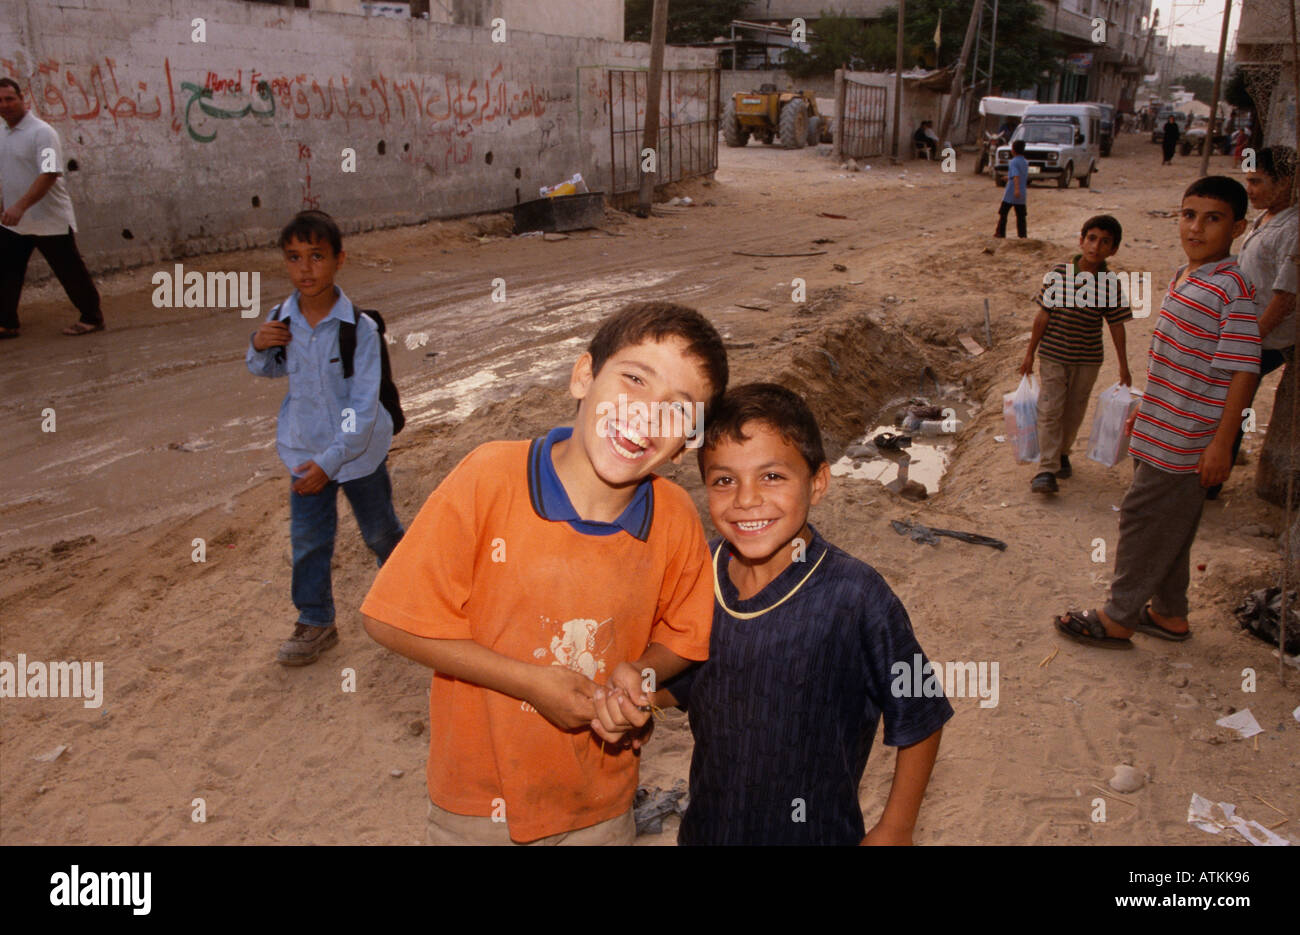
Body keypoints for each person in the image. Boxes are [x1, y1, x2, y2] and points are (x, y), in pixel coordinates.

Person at [360, 302, 728, 845]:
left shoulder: (673, 519)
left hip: (600, 804)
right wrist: (531, 682)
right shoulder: (489, 477)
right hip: (478, 804)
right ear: (583, 376)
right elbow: (391, 619)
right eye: (633, 379)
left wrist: (641, 674)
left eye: (677, 411)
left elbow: (686, 636)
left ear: (687, 444)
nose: (646, 415)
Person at [657, 383, 951, 845]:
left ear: (817, 482)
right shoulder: (699, 576)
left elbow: (922, 713)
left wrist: (896, 826)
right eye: (724, 480)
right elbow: (684, 679)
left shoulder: (855, 597)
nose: (746, 499)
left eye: (772, 476)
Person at [1054, 177, 1260, 648]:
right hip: (1161, 425)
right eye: (1189, 215)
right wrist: (1146, 407)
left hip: (1187, 439)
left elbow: (1243, 372)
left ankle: (1118, 617)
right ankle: (1169, 613)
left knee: (1142, 519)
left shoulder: (1234, 290)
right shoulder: (1187, 277)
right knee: (1173, 525)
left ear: (1238, 227)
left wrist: (1222, 444)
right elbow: (1179, 360)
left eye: (1214, 219)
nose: (1197, 228)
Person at [247, 210, 405, 666]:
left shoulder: (361, 330)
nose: (305, 269)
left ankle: (407, 595)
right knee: (309, 540)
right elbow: (269, 369)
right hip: (304, 452)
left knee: (380, 532)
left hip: (357, 457)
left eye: (316, 256)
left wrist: (330, 461)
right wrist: (257, 346)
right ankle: (316, 620)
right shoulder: (281, 318)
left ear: (339, 259)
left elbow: (361, 409)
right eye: (294, 258)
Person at [1208, 145, 1298, 499]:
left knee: (1232, 403)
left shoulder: (1293, 228)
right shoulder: (1266, 217)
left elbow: (1285, 297)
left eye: (1257, 182)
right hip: (1244, 330)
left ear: (1285, 182)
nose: (1251, 190)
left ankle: (1212, 481)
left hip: (1266, 338)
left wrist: (1249, 340)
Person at [1021, 215, 1133, 494]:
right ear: (1081, 240)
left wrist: (1124, 366)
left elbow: (1116, 326)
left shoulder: (1110, 283)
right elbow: (1042, 317)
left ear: (1113, 249)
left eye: (1105, 242)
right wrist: (1029, 355)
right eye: (1092, 238)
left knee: (1073, 411)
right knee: (1049, 409)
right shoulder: (1058, 273)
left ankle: (1062, 453)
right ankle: (1046, 469)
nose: (1096, 246)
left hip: (1088, 359)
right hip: (1053, 355)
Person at [0, 76, 104, 339]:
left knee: (69, 270)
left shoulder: (42, 132)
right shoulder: (3, 132)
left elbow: (49, 174)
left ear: (23, 99)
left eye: (10, 98)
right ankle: (7, 322)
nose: (5, 105)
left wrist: (20, 206)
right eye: (0, 101)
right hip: (15, 219)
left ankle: (92, 317)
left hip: (48, 218)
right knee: (6, 269)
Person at [995, 139, 1029, 238]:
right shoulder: (1025, 162)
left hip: (1011, 192)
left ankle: (1000, 233)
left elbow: (1016, 176)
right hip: (1022, 193)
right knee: (1021, 216)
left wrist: (1016, 189)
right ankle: (1022, 235)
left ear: (1013, 150)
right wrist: (1008, 177)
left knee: (1003, 213)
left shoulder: (1013, 162)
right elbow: (1018, 174)